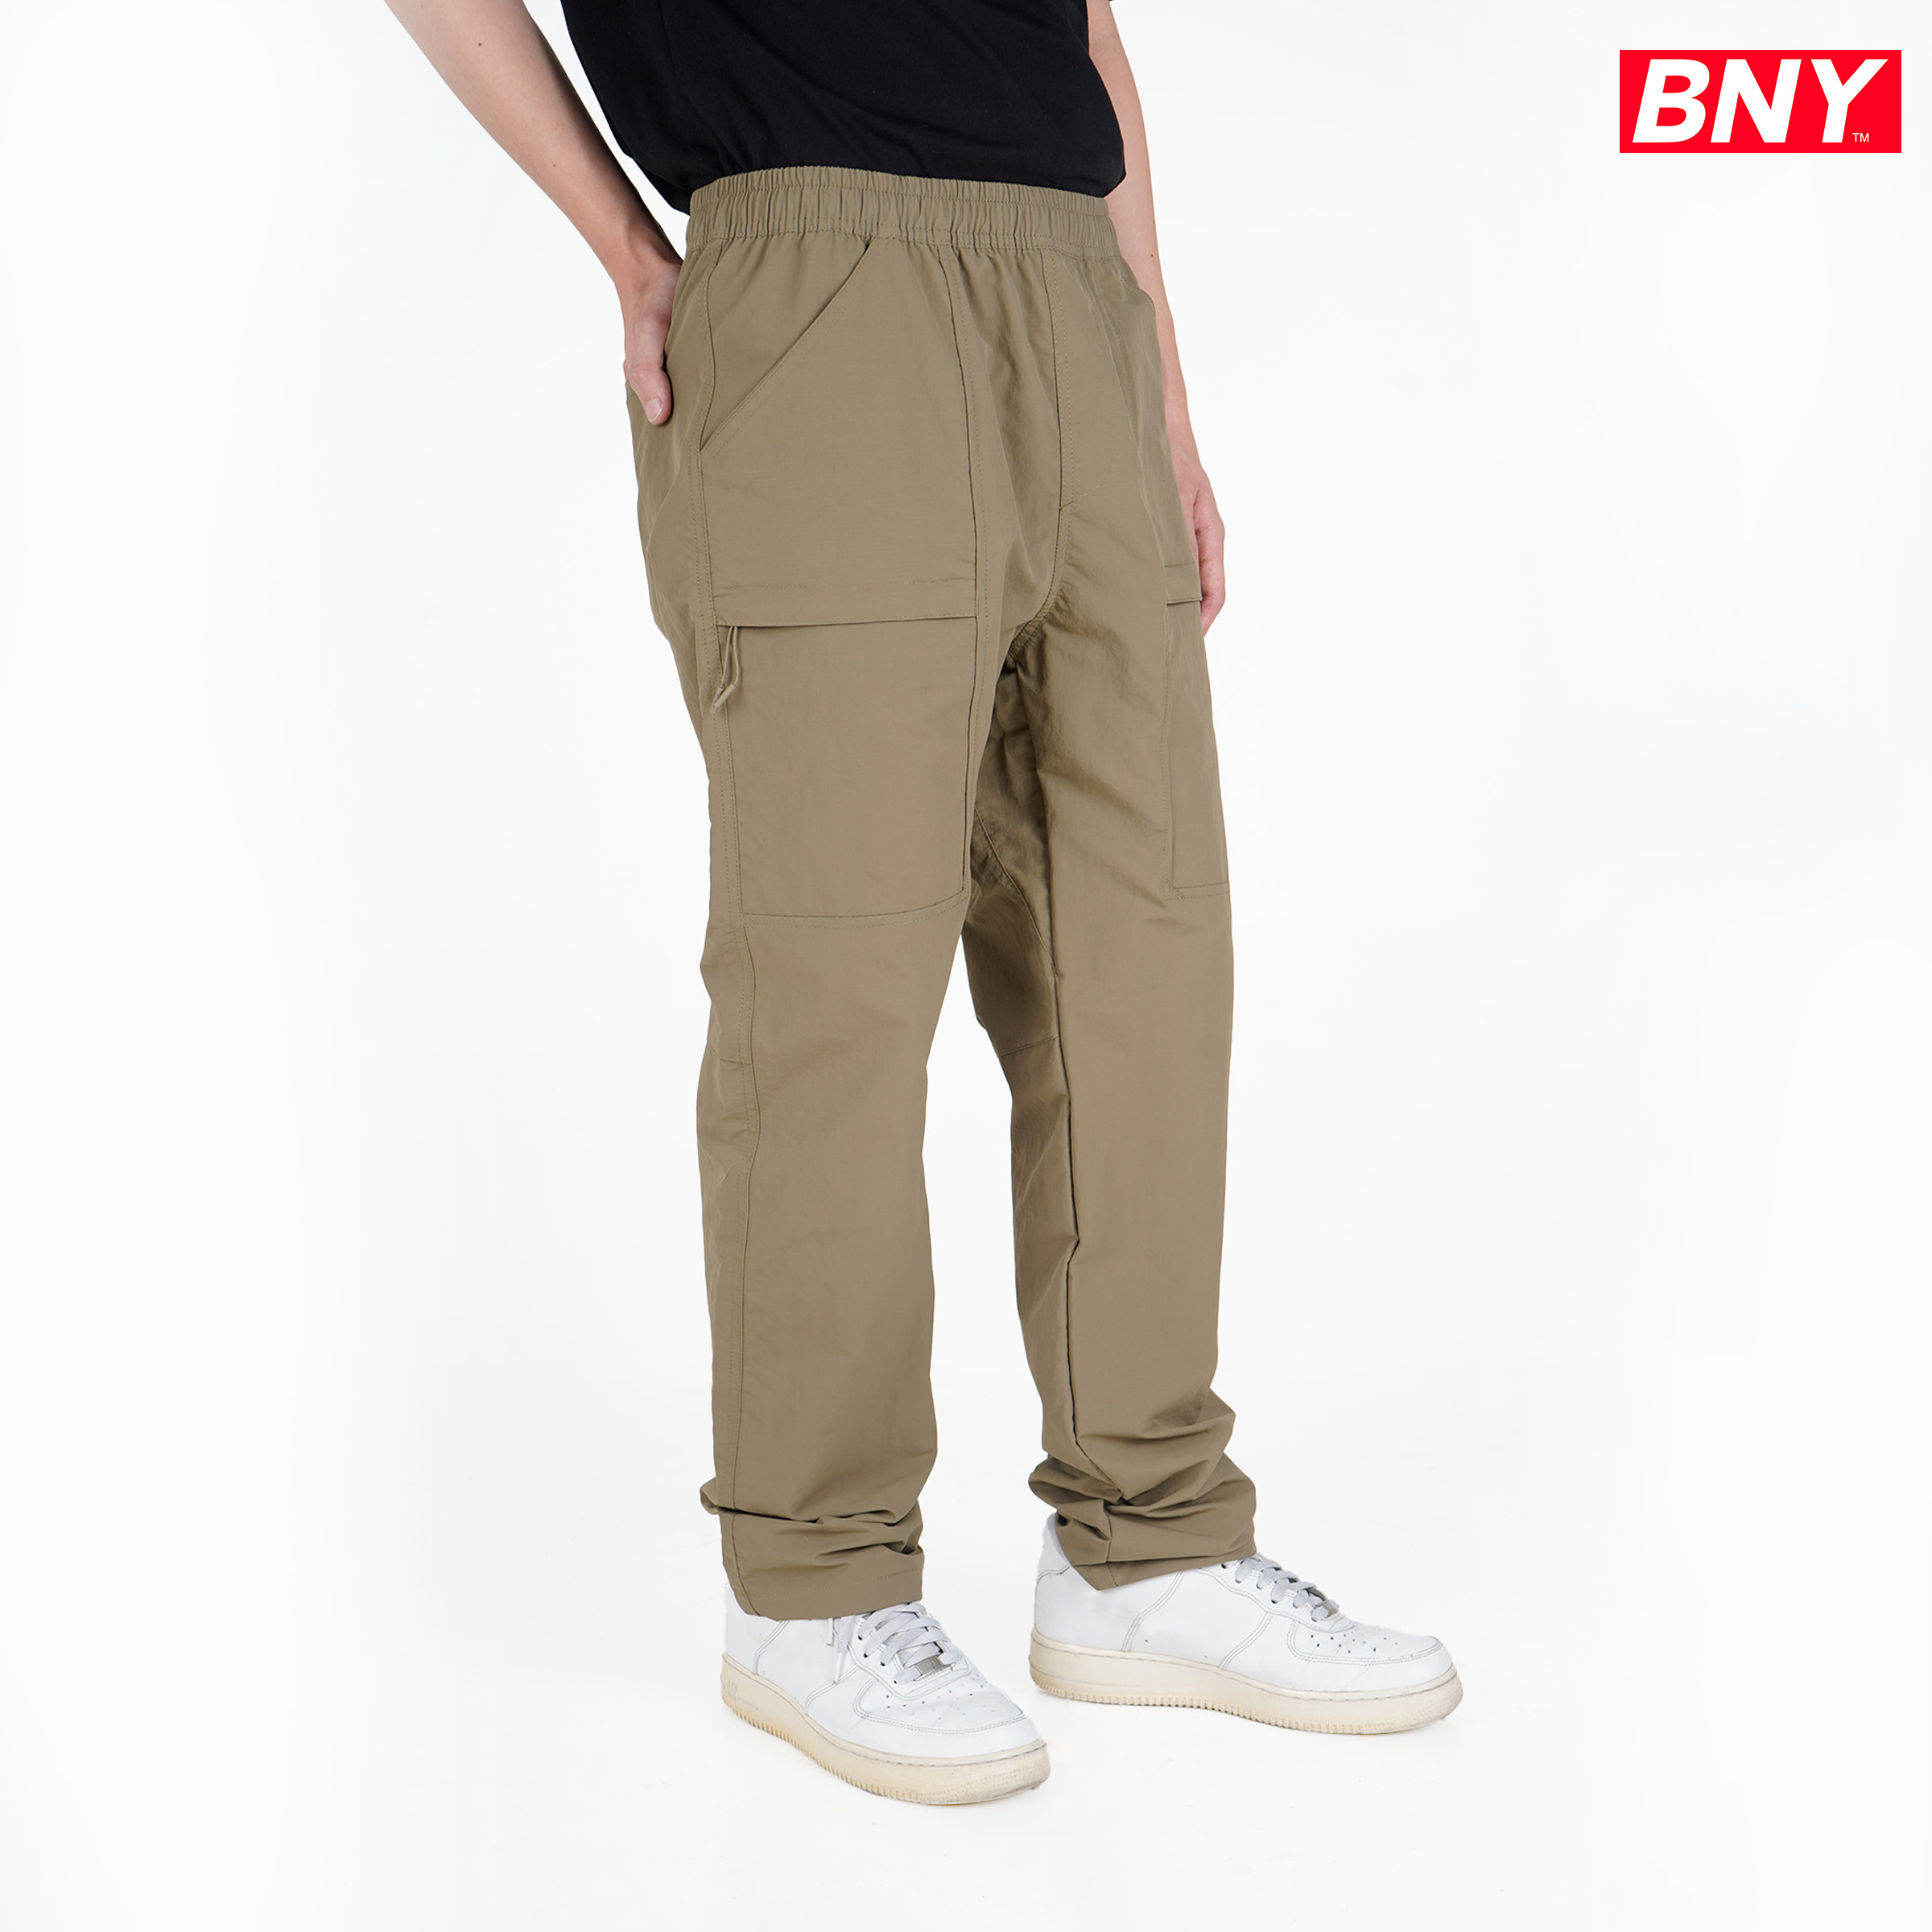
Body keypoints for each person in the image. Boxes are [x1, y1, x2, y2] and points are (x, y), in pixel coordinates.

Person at [386, 0, 1460, 1804]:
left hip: (1076, 290)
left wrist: (1158, 378)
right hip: (818, 286)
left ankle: (1148, 1540)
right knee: (840, 967)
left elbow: (1086, 31)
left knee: (1143, 953)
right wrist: (628, 246)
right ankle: (813, 1585)